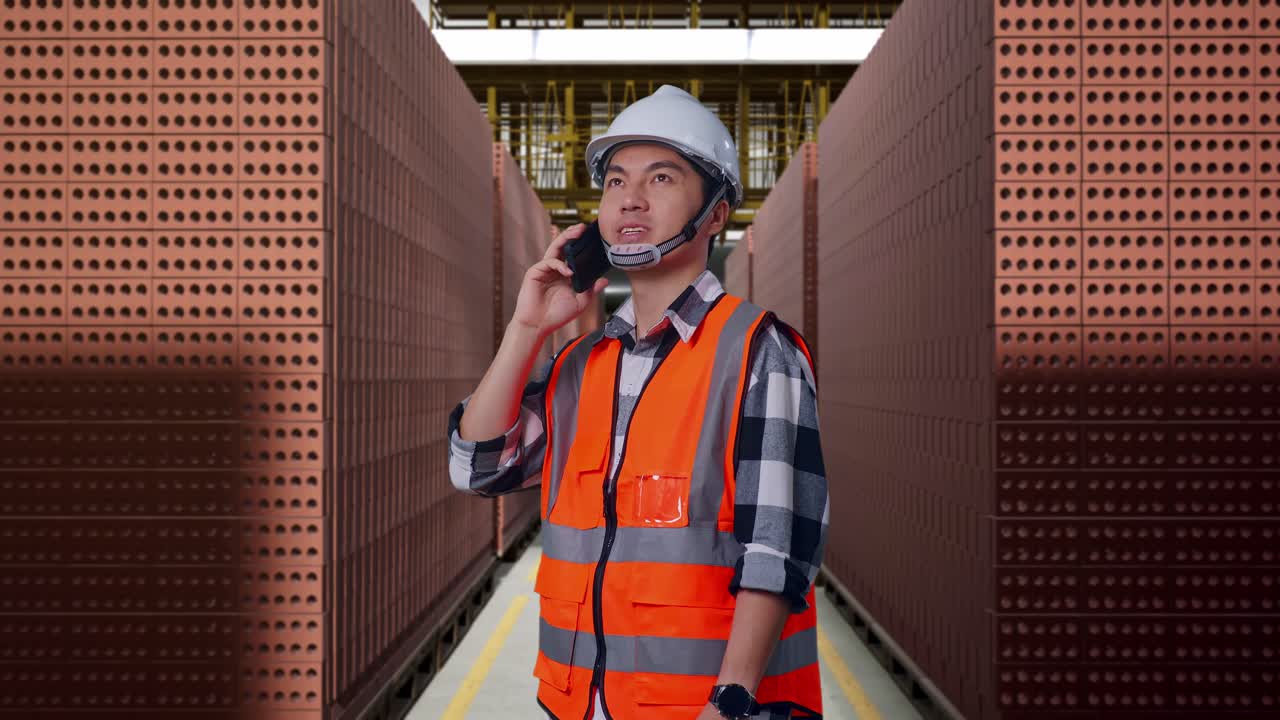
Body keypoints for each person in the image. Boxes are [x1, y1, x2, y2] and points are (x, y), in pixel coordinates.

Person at [448, 84, 828, 720]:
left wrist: (728, 704)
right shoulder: (580, 366)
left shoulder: (759, 352)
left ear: (715, 214)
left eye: (660, 177)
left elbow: (777, 550)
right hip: (580, 705)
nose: (630, 198)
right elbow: (477, 467)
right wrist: (526, 329)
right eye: (616, 180)